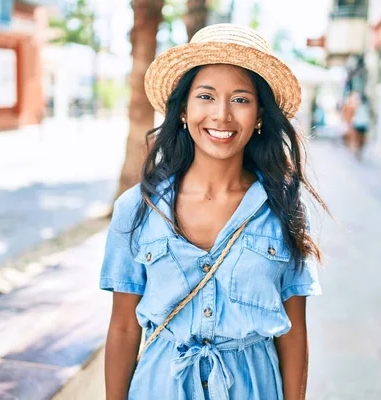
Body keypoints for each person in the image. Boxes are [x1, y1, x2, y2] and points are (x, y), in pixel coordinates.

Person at [100, 24, 329, 400]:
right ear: (183, 111)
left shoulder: (284, 207)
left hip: (253, 387)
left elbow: (294, 332)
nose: (222, 115)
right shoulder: (136, 208)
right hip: (160, 386)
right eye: (206, 96)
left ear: (259, 116)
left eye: (240, 99)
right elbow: (124, 326)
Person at [351, 93, 372, 160]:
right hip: (362, 124)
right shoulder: (366, 107)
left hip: (359, 124)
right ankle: (358, 150)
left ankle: (357, 150)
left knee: (359, 138)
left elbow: (355, 115)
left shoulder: (360, 106)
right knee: (361, 139)